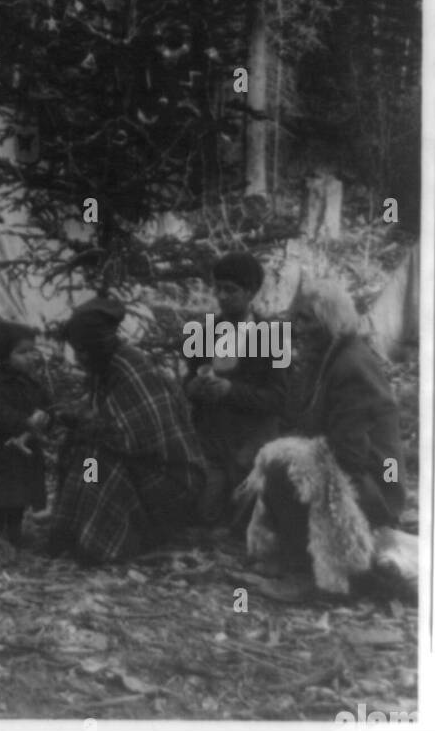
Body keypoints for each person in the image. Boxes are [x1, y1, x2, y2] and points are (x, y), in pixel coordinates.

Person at [240, 279, 406, 597]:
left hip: (373, 486)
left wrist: (293, 457)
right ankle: (291, 558)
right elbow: (301, 420)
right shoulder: (326, 359)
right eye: (297, 319)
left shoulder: (351, 365)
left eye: (306, 319)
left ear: (329, 321)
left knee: (281, 468)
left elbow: (350, 454)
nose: (298, 329)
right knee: (272, 463)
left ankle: (309, 575)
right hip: (350, 468)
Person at [50, 296, 205, 564]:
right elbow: (107, 422)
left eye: (81, 350)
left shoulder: (129, 369)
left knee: (97, 460)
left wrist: (83, 423)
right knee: (84, 450)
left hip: (175, 480)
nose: (78, 357)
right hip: (150, 467)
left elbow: (132, 439)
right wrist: (71, 419)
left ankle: (99, 543)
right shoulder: (106, 368)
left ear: (96, 346)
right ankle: (74, 529)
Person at [184, 251, 285, 523]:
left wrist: (231, 391)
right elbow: (187, 383)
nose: (222, 296)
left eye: (231, 290)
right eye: (218, 288)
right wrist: (192, 388)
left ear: (251, 292)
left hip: (251, 439)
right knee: (204, 514)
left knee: (245, 514)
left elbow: (281, 398)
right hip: (211, 439)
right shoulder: (201, 331)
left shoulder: (275, 335)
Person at [0, 322, 52, 547]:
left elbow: (47, 404)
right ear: (4, 355)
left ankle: (15, 531)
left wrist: (46, 417)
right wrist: (23, 421)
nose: (29, 357)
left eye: (31, 351)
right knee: (0, 495)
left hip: (25, 450)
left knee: (20, 494)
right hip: (0, 449)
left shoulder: (31, 381)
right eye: (21, 352)